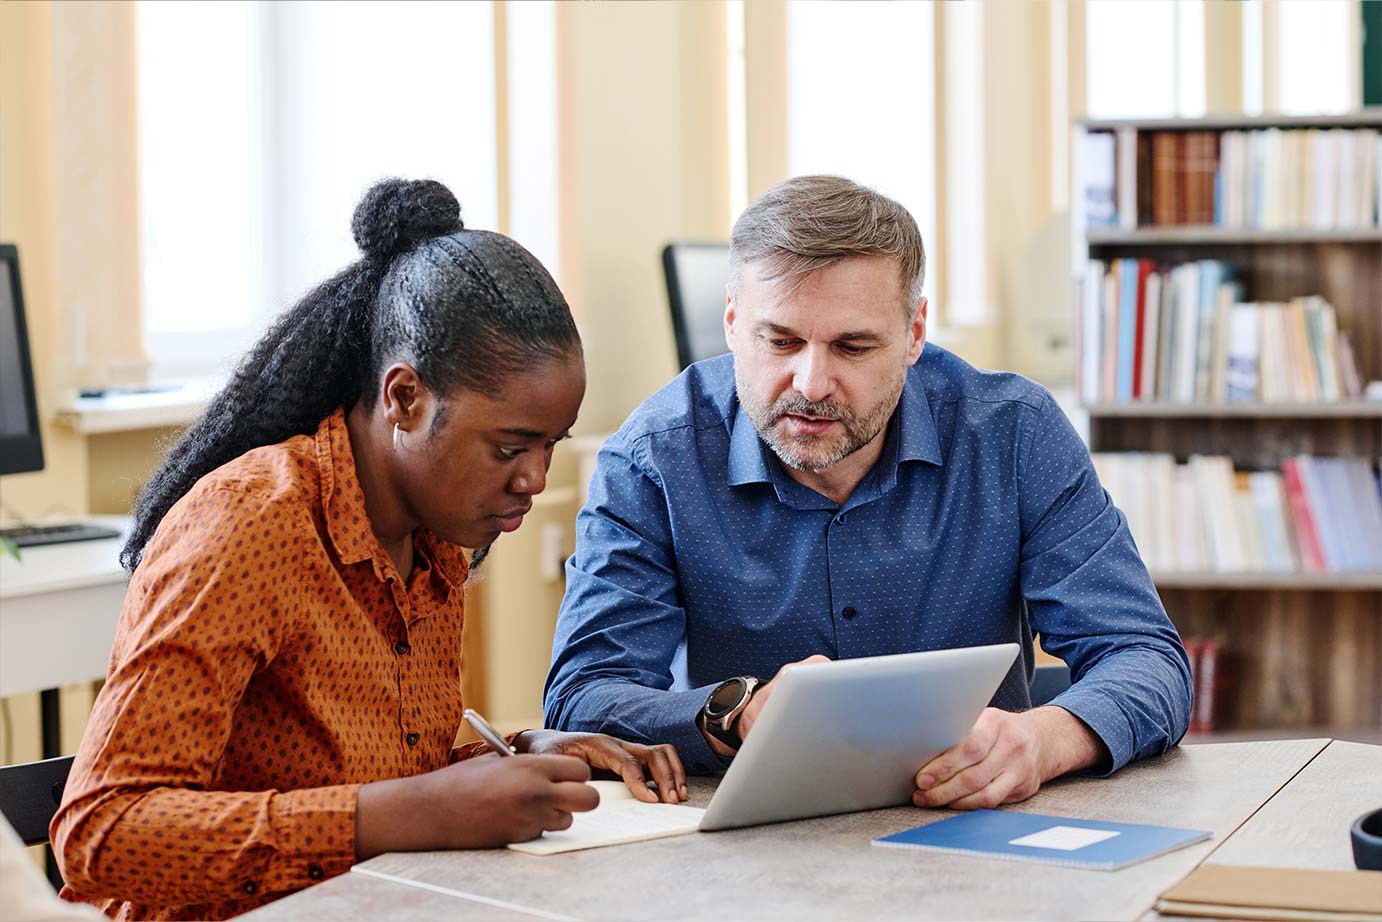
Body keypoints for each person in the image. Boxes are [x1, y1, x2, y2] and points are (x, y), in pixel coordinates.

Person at [52, 179, 686, 922]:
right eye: (510, 447)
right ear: (404, 399)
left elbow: (381, 778)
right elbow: (101, 835)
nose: (534, 480)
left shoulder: (436, 540)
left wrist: (525, 757)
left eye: (552, 445)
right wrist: (404, 812)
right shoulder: (247, 527)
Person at [545, 175, 1192, 810]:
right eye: (780, 341)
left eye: (852, 346)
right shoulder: (654, 458)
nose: (812, 382)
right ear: (734, 321)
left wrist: (1047, 739)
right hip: (749, 858)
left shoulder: (1013, 434)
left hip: (979, 834)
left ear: (914, 334)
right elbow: (583, 696)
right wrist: (735, 713)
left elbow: (1144, 657)